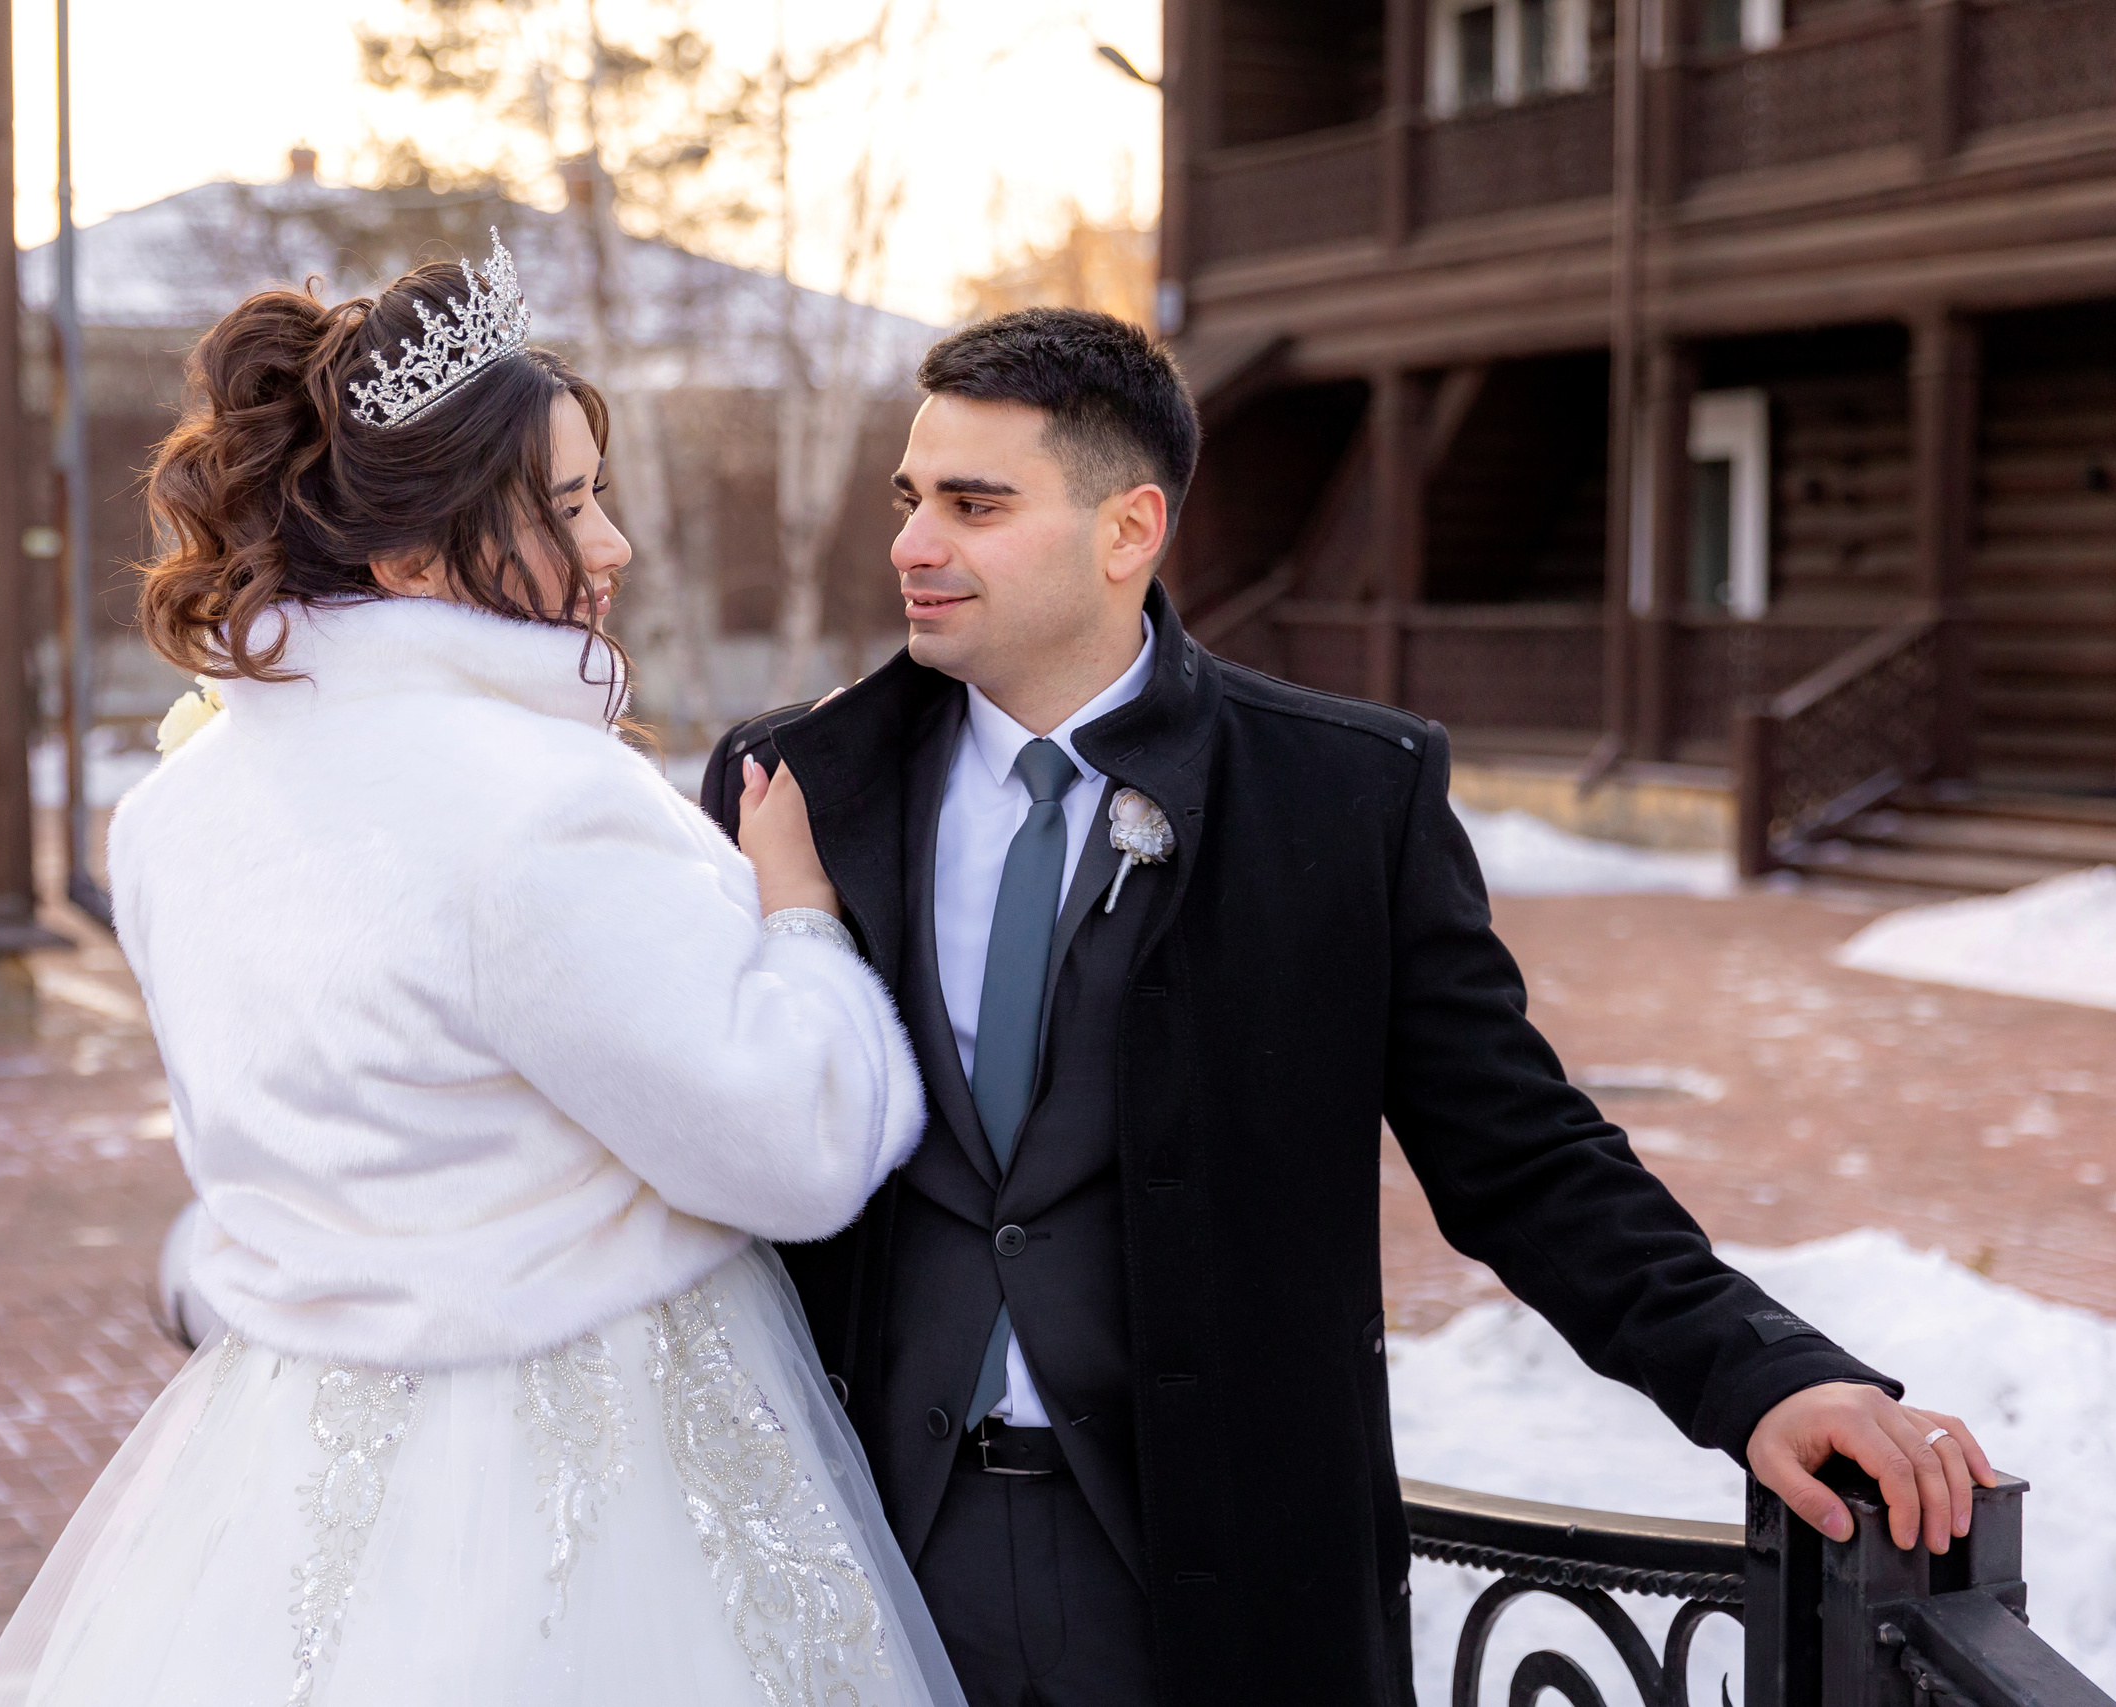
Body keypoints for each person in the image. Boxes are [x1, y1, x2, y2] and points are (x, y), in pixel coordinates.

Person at [700, 307, 1998, 1707]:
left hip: (1213, 1584)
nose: (912, 544)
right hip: (863, 1561)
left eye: (975, 504)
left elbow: (1523, 1153)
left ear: (1128, 530)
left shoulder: (1343, 795)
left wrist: (1761, 1378)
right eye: (910, 499)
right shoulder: (792, 789)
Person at [0, 236, 969, 1707]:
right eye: (565, 507)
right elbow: (798, 1149)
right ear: (414, 555)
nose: (612, 545)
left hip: (281, 1464)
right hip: (596, 1466)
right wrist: (804, 924)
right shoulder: (537, 808)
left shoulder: (177, 812)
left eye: (600, 496)